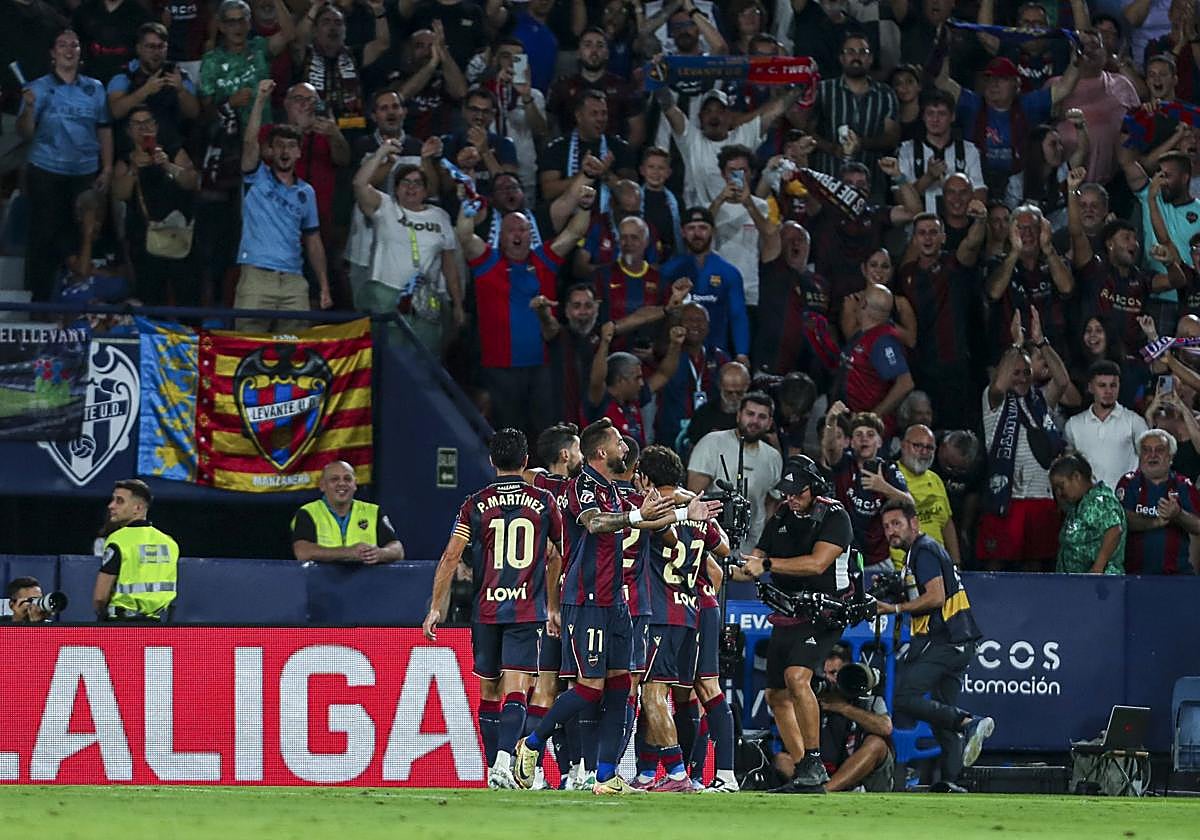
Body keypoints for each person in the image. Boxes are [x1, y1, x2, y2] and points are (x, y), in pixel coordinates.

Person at [513, 418, 721, 794]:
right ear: (601, 452)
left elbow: (649, 523)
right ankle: (530, 744)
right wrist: (641, 516)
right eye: (619, 444)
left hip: (619, 604)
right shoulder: (583, 489)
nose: (626, 448)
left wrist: (685, 514)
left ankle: (606, 777)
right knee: (589, 688)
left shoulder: (614, 491)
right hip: (587, 599)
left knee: (621, 686)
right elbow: (595, 525)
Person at [422, 428, 564, 789]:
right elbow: (559, 551)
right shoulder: (545, 502)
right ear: (526, 461)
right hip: (525, 609)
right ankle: (504, 763)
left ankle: (494, 770)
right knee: (518, 689)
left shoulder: (474, 503)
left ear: (491, 461)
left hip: (486, 610)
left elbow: (451, 555)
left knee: (489, 693)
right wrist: (552, 603)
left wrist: (436, 607)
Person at [734, 454, 857, 794]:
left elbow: (818, 564)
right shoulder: (783, 515)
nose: (790, 498)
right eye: (786, 492)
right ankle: (806, 769)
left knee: (796, 677)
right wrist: (727, 561)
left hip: (825, 614)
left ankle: (814, 760)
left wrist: (768, 564)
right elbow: (755, 559)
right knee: (775, 693)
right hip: (788, 614)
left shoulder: (834, 515)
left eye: (797, 492)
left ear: (814, 488)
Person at [456, 184, 594, 441]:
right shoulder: (487, 261)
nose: (518, 234)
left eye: (523, 229)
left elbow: (575, 232)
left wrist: (584, 206)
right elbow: (464, 236)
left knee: (545, 433)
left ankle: (546, 481)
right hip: (499, 370)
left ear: (531, 235)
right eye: (511, 230)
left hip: (542, 367)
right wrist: (466, 207)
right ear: (501, 237)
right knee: (508, 436)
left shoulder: (545, 259)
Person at [631, 444, 732, 792]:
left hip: (660, 613)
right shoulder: (697, 509)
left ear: (646, 477)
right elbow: (724, 549)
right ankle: (646, 773)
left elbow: (642, 526)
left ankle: (676, 774)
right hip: (690, 611)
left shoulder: (657, 510)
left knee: (653, 695)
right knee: (668, 695)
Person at [879, 499, 989, 791]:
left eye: (897, 524)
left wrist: (895, 608)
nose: (891, 531)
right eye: (887, 526)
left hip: (946, 640)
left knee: (904, 696)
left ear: (914, 524)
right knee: (943, 718)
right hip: (959, 640)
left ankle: (970, 722)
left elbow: (936, 597)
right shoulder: (921, 551)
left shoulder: (923, 550)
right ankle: (953, 782)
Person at [18, 28, 114, 303]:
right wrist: (27, 109)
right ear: (53, 52)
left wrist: (106, 169)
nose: (69, 50)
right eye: (62, 45)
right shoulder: (37, 88)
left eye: (74, 45)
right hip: (46, 172)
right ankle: (38, 304)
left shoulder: (94, 88)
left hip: (84, 174)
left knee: (82, 236)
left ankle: (78, 303)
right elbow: (26, 134)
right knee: (44, 238)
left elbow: (104, 129)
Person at [235, 79, 332, 332]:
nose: (285, 151)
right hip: (257, 277)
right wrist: (259, 100)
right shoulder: (256, 177)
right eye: (279, 145)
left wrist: (323, 285)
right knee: (249, 349)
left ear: (299, 152)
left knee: (295, 355)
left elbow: (313, 240)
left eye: (291, 146)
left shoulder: (306, 192)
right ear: (270, 151)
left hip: (294, 282)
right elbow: (249, 143)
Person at [978, 311, 1070, 571]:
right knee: (997, 565)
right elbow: (999, 382)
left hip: (1042, 497)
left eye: (1026, 372)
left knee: (1036, 566)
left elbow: (1062, 380)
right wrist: (1016, 345)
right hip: (1007, 496)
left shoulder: (1040, 400)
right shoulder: (993, 400)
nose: (1021, 378)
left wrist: (1041, 342)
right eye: (1015, 372)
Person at [352, 149, 463, 351]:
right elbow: (359, 183)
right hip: (385, 295)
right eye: (405, 182)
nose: (411, 187)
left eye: (417, 183)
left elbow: (449, 265)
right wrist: (382, 153)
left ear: (426, 190)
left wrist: (457, 304)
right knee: (389, 360)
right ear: (395, 188)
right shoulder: (385, 206)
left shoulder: (440, 216)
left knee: (425, 359)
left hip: (425, 299)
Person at [821, 404, 913, 580]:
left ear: (879, 441)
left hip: (879, 557)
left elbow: (909, 503)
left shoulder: (888, 469)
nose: (864, 439)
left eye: (870, 435)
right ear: (852, 441)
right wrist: (831, 420)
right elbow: (831, 450)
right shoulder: (845, 464)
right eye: (859, 435)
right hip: (845, 554)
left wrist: (883, 487)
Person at [687, 391, 782, 550]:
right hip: (711, 543)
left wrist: (764, 546)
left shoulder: (773, 457)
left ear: (770, 422)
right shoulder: (711, 443)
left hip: (751, 548)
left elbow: (771, 505)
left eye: (762, 417)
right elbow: (693, 496)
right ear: (738, 415)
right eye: (750, 414)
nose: (755, 421)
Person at [661, 206, 751, 363]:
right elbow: (661, 313)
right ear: (682, 232)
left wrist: (742, 353)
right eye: (691, 228)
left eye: (703, 228)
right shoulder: (669, 271)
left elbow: (738, 316)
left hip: (716, 355)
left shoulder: (729, 273)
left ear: (712, 231)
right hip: (678, 355)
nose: (697, 234)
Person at [586, 323, 686, 448]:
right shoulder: (600, 402)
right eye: (637, 378)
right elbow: (597, 380)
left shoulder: (635, 397)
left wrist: (675, 345)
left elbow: (664, 374)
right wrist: (605, 342)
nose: (642, 383)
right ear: (620, 380)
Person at [93, 479, 179, 622]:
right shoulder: (169, 542)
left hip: (122, 626)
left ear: (137, 508)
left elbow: (100, 597)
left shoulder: (118, 540)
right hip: (158, 626)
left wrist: (102, 616)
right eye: (112, 500)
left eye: (119, 501)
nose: (111, 506)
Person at [834, 283, 915, 435]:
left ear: (864, 303)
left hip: (871, 434)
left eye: (860, 296)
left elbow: (905, 383)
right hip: (851, 426)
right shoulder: (864, 334)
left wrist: (873, 416)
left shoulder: (883, 341)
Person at [1118, 428, 1200, 575]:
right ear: (1140, 455)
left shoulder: (1184, 485)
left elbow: (1198, 526)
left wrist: (1178, 514)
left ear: (1171, 456)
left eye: (1160, 450)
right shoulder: (1128, 482)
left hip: (1176, 575)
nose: (1152, 455)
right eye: (1146, 450)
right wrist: (1156, 522)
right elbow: (1121, 520)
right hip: (1134, 575)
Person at [814, 644, 895, 793]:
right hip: (822, 771)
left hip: (864, 780)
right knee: (782, 759)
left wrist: (843, 708)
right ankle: (812, 789)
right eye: (824, 673)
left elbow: (885, 728)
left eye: (833, 673)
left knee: (877, 744)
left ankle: (825, 791)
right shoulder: (812, 700)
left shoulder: (868, 700)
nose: (828, 679)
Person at [290, 461, 405, 564]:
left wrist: (380, 553)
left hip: (367, 585)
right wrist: (348, 552)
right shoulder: (308, 512)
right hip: (323, 585)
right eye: (334, 479)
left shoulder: (373, 511)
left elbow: (397, 549)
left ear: (355, 484)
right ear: (322, 485)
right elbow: (303, 552)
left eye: (347, 479)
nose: (342, 483)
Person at [1064, 360, 1149, 490]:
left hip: (1125, 502)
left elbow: (1147, 461)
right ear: (1090, 387)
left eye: (1113, 385)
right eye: (1102, 385)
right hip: (1088, 504)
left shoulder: (1134, 421)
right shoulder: (1074, 424)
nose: (1108, 391)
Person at [893, 423, 961, 567]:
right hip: (902, 567)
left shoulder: (936, 479)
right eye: (918, 446)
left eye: (929, 448)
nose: (924, 452)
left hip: (938, 566)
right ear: (904, 445)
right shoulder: (889, 475)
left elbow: (947, 523)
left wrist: (956, 563)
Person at [1049, 452, 1127, 575]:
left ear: (1076, 477)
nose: (1059, 493)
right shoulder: (1078, 503)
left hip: (1099, 585)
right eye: (1056, 489)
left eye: (1061, 486)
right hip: (1077, 583)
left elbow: (1114, 530)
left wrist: (1097, 568)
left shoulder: (1100, 500)